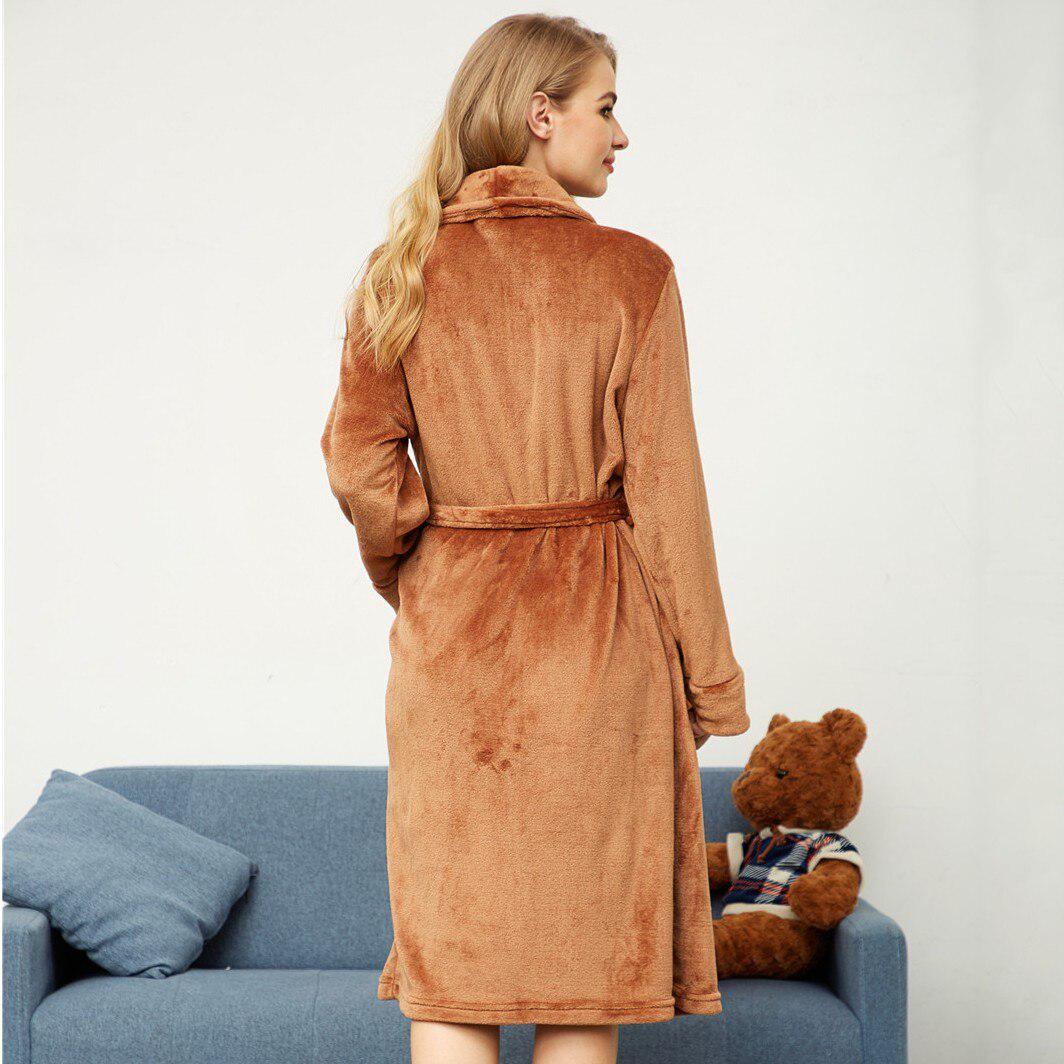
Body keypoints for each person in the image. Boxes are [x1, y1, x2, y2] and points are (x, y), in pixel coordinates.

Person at [320, 13, 750, 1064]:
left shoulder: (400, 268)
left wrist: (424, 570)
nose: (622, 133)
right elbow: (668, 498)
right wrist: (709, 685)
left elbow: (358, 466)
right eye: (606, 107)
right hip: (597, 656)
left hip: (451, 665)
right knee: (579, 983)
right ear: (540, 113)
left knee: (452, 979)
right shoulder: (632, 273)